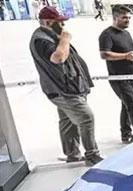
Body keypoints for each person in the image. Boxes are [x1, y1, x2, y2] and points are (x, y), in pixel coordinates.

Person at [30, 6, 102, 165]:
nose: (63, 26)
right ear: (48, 22)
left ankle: (73, 154)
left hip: (67, 87)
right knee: (86, 117)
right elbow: (58, 58)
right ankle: (92, 155)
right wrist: (65, 39)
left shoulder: (50, 36)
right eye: (59, 22)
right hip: (62, 90)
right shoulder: (41, 39)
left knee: (67, 121)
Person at [99, 6, 133, 144]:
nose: (128, 20)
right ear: (115, 18)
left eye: (129, 17)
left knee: (127, 106)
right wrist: (125, 56)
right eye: (124, 17)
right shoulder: (107, 34)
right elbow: (104, 54)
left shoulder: (126, 34)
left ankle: (126, 134)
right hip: (120, 79)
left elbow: (128, 53)